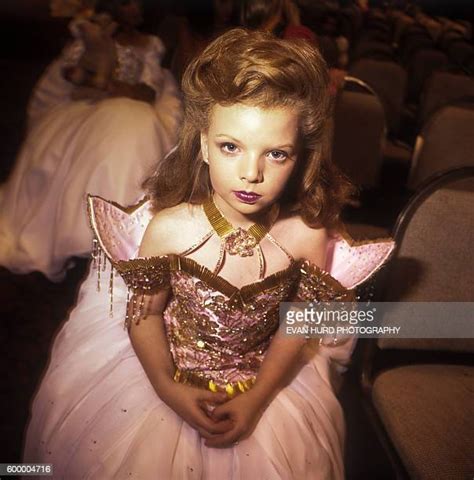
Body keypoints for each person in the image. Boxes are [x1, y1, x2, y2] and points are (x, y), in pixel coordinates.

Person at [23, 29, 394, 478]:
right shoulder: (171, 228)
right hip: (165, 371)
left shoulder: (305, 235)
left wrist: (257, 398)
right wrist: (166, 387)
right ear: (202, 144)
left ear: (300, 157)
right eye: (230, 146)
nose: (251, 173)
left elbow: (299, 324)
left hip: (262, 379)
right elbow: (145, 314)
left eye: (276, 154)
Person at [0, 0, 182, 281]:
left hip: (130, 110)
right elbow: (71, 76)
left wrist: (114, 87)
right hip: (86, 108)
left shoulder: (150, 45)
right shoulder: (90, 38)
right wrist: (98, 76)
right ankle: (78, 233)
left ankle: (123, 233)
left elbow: (148, 91)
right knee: (95, 130)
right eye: (129, 3)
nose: (137, 8)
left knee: (135, 128)